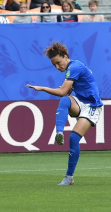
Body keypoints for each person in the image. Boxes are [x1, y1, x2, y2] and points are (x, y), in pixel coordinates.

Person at [27, 42, 104, 186]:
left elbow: (63, 91)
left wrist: (43, 88)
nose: (57, 67)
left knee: (74, 138)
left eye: (58, 63)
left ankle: (69, 178)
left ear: (66, 57)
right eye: (54, 65)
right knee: (64, 101)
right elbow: (67, 92)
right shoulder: (71, 69)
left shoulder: (75, 67)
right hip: (80, 101)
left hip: (92, 105)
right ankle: (60, 132)